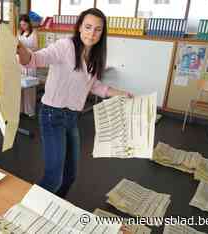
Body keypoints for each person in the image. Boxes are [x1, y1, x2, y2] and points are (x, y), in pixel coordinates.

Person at [17, 8, 132, 198]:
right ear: (79, 27)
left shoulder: (95, 55)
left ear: (102, 33)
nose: (92, 33)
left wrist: (121, 93)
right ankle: (29, 210)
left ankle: (55, 206)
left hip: (71, 118)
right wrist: (21, 50)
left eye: (97, 29)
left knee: (70, 175)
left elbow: (93, 85)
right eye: (88, 27)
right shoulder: (65, 46)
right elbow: (36, 59)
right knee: (54, 177)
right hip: (52, 115)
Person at [18, 14, 38, 117]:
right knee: (21, 85)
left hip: (30, 61)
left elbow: (35, 48)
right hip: (20, 62)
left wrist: (24, 48)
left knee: (29, 85)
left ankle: (29, 110)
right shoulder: (20, 33)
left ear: (28, 24)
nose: (23, 27)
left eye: (24, 24)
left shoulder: (34, 33)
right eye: (21, 25)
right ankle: (21, 109)